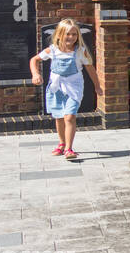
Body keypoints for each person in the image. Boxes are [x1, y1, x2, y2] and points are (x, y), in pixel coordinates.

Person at [30, 18, 101, 161]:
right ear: (60, 34)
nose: (71, 37)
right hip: (56, 88)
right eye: (68, 34)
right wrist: (35, 74)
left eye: (74, 34)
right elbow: (34, 60)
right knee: (59, 117)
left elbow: (90, 68)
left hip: (74, 88)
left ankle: (69, 148)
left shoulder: (80, 51)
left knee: (69, 116)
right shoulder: (53, 50)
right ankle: (61, 144)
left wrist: (97, 86)